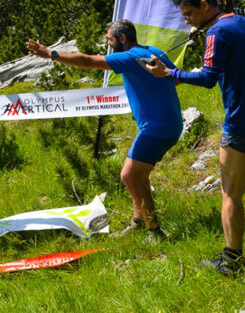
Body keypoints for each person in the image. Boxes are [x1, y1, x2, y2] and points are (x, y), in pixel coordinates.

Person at [144, 0, 245, 276]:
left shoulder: (216, 32)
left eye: (188, 14)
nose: (187, 21)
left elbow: (208, 78)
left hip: (242, 122)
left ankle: (232, 260)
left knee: (229, 191)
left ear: (205, 6)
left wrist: (169, 73)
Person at [27, 20, 182, 241]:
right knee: (139, 175)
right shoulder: (154, 52)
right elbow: (175, 79)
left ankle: (155, 231)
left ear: (122, 39)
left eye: (110, 39)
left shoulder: (128, 58)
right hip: (169, 124)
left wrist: (51, 54)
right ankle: (139, 221)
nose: (108, 44)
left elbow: (88, 61)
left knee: (129, 176)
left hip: (156, 127)